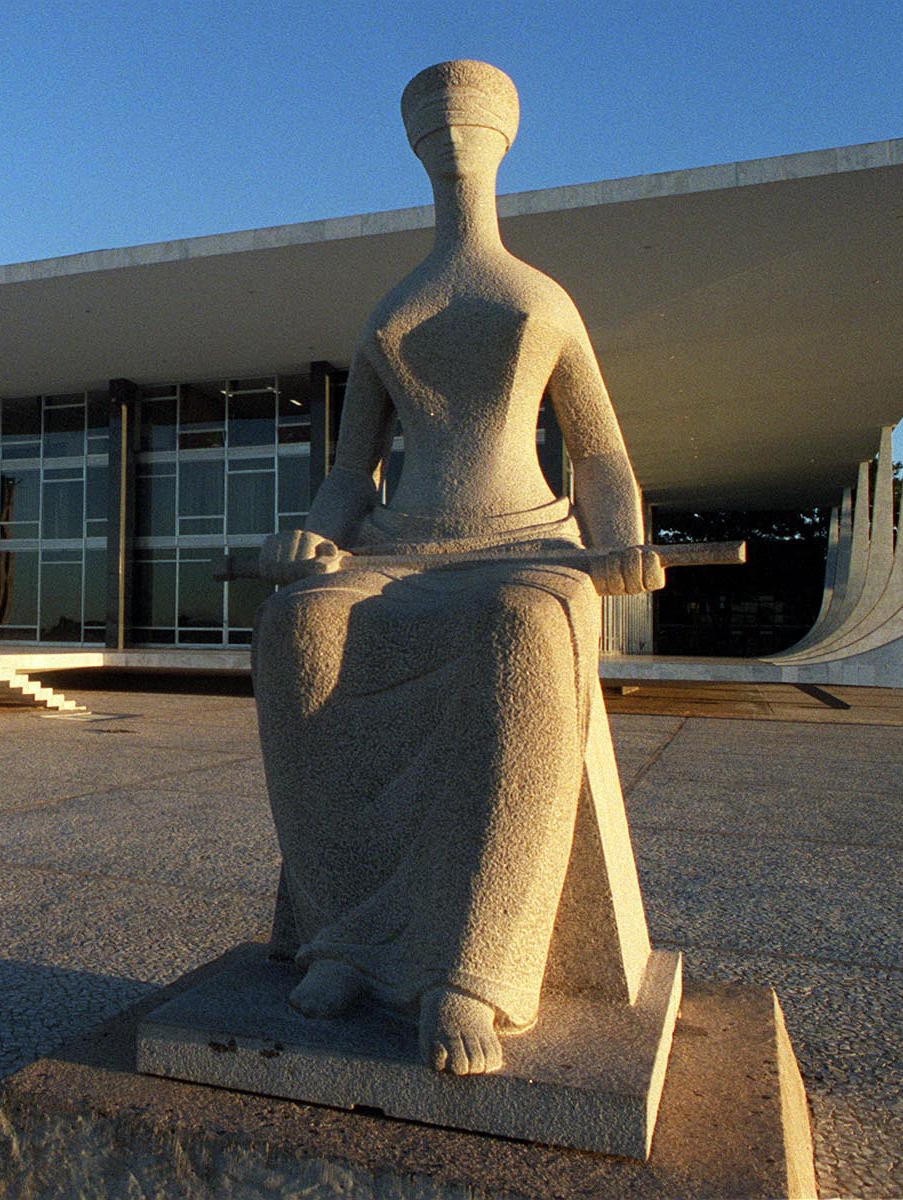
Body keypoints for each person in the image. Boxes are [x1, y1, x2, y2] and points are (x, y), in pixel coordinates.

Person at [254, 60, 662, 1077]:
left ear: (501, 142)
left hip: (527, 544)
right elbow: (351, 473)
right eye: (435, 133)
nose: (453, 147)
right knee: (298, 627)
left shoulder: (542, 298)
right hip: (401, 546)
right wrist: (312, 538)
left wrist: (620, 536)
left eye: (467, 129)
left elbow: (601, 454)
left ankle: (473, 969)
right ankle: (345, 935)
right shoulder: (391, 309)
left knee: (521, 628)